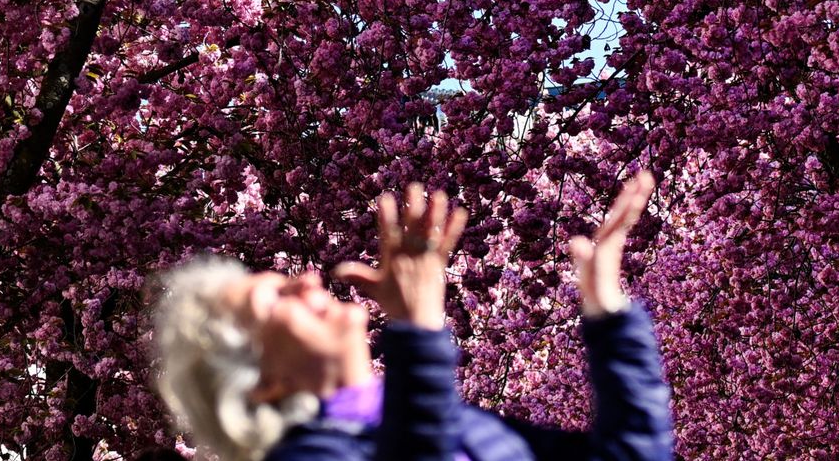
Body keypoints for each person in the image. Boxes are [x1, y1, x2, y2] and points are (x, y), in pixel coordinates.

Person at [153, 173, 672, 461]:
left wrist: (609, 312)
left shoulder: (460, 422)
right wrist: (419, 335)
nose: (306, 279)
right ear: (263, 382)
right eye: (277, 299)